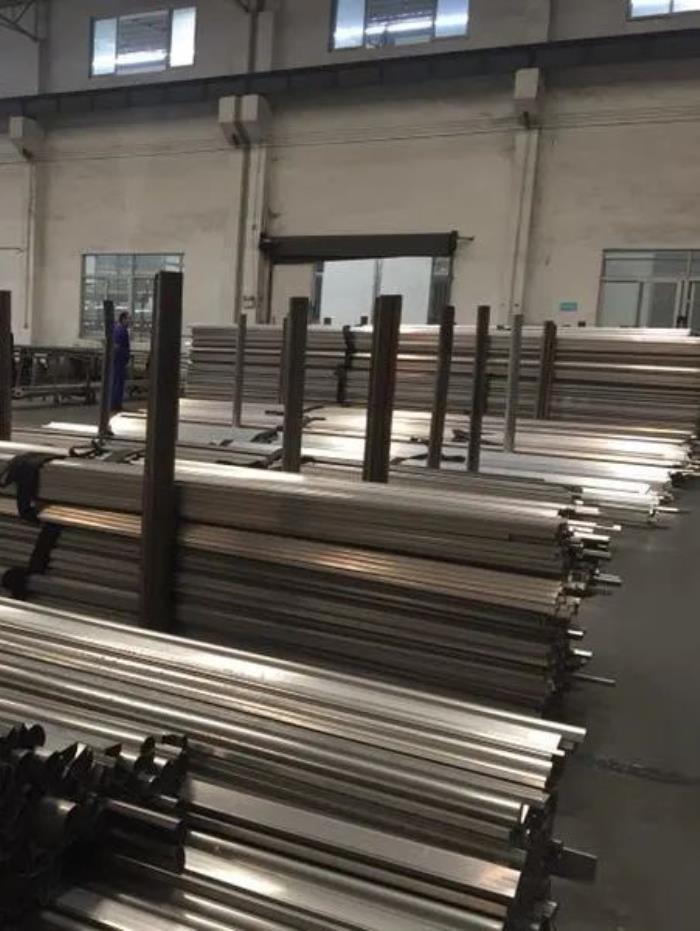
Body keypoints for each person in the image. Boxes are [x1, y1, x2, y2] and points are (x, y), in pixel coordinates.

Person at [111, 311, 131, 413]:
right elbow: (117, 346)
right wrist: (122, 356)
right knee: (117, 383)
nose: (129, 321)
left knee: (117, 382)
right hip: (119, 360)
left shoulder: (121, 329)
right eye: (128, 319)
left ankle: (115, 403)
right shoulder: (120, 330)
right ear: (123, 319)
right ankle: (115, 404)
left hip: (120, 360)